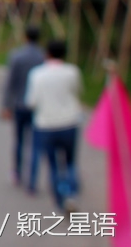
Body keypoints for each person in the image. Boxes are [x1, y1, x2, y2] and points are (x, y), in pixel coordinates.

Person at [25, 39, 83, 211]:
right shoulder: (72, 72)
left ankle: (60, 199)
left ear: (47, 53)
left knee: (53, 165)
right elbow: (78, 91)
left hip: (46, 125)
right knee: (70, 163)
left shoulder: (37, 74)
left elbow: (31, 102)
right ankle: (71, 194)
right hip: (70, 122)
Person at [2, 25, 45, 187]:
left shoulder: (16, 56)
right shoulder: (43, 57)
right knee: (35, 143)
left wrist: (6, 105)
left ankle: (17, 172)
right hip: (38, 107)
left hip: (20, 104)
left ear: (25, 37)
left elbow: (9, 82)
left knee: (19, 141)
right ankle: (32, 179)